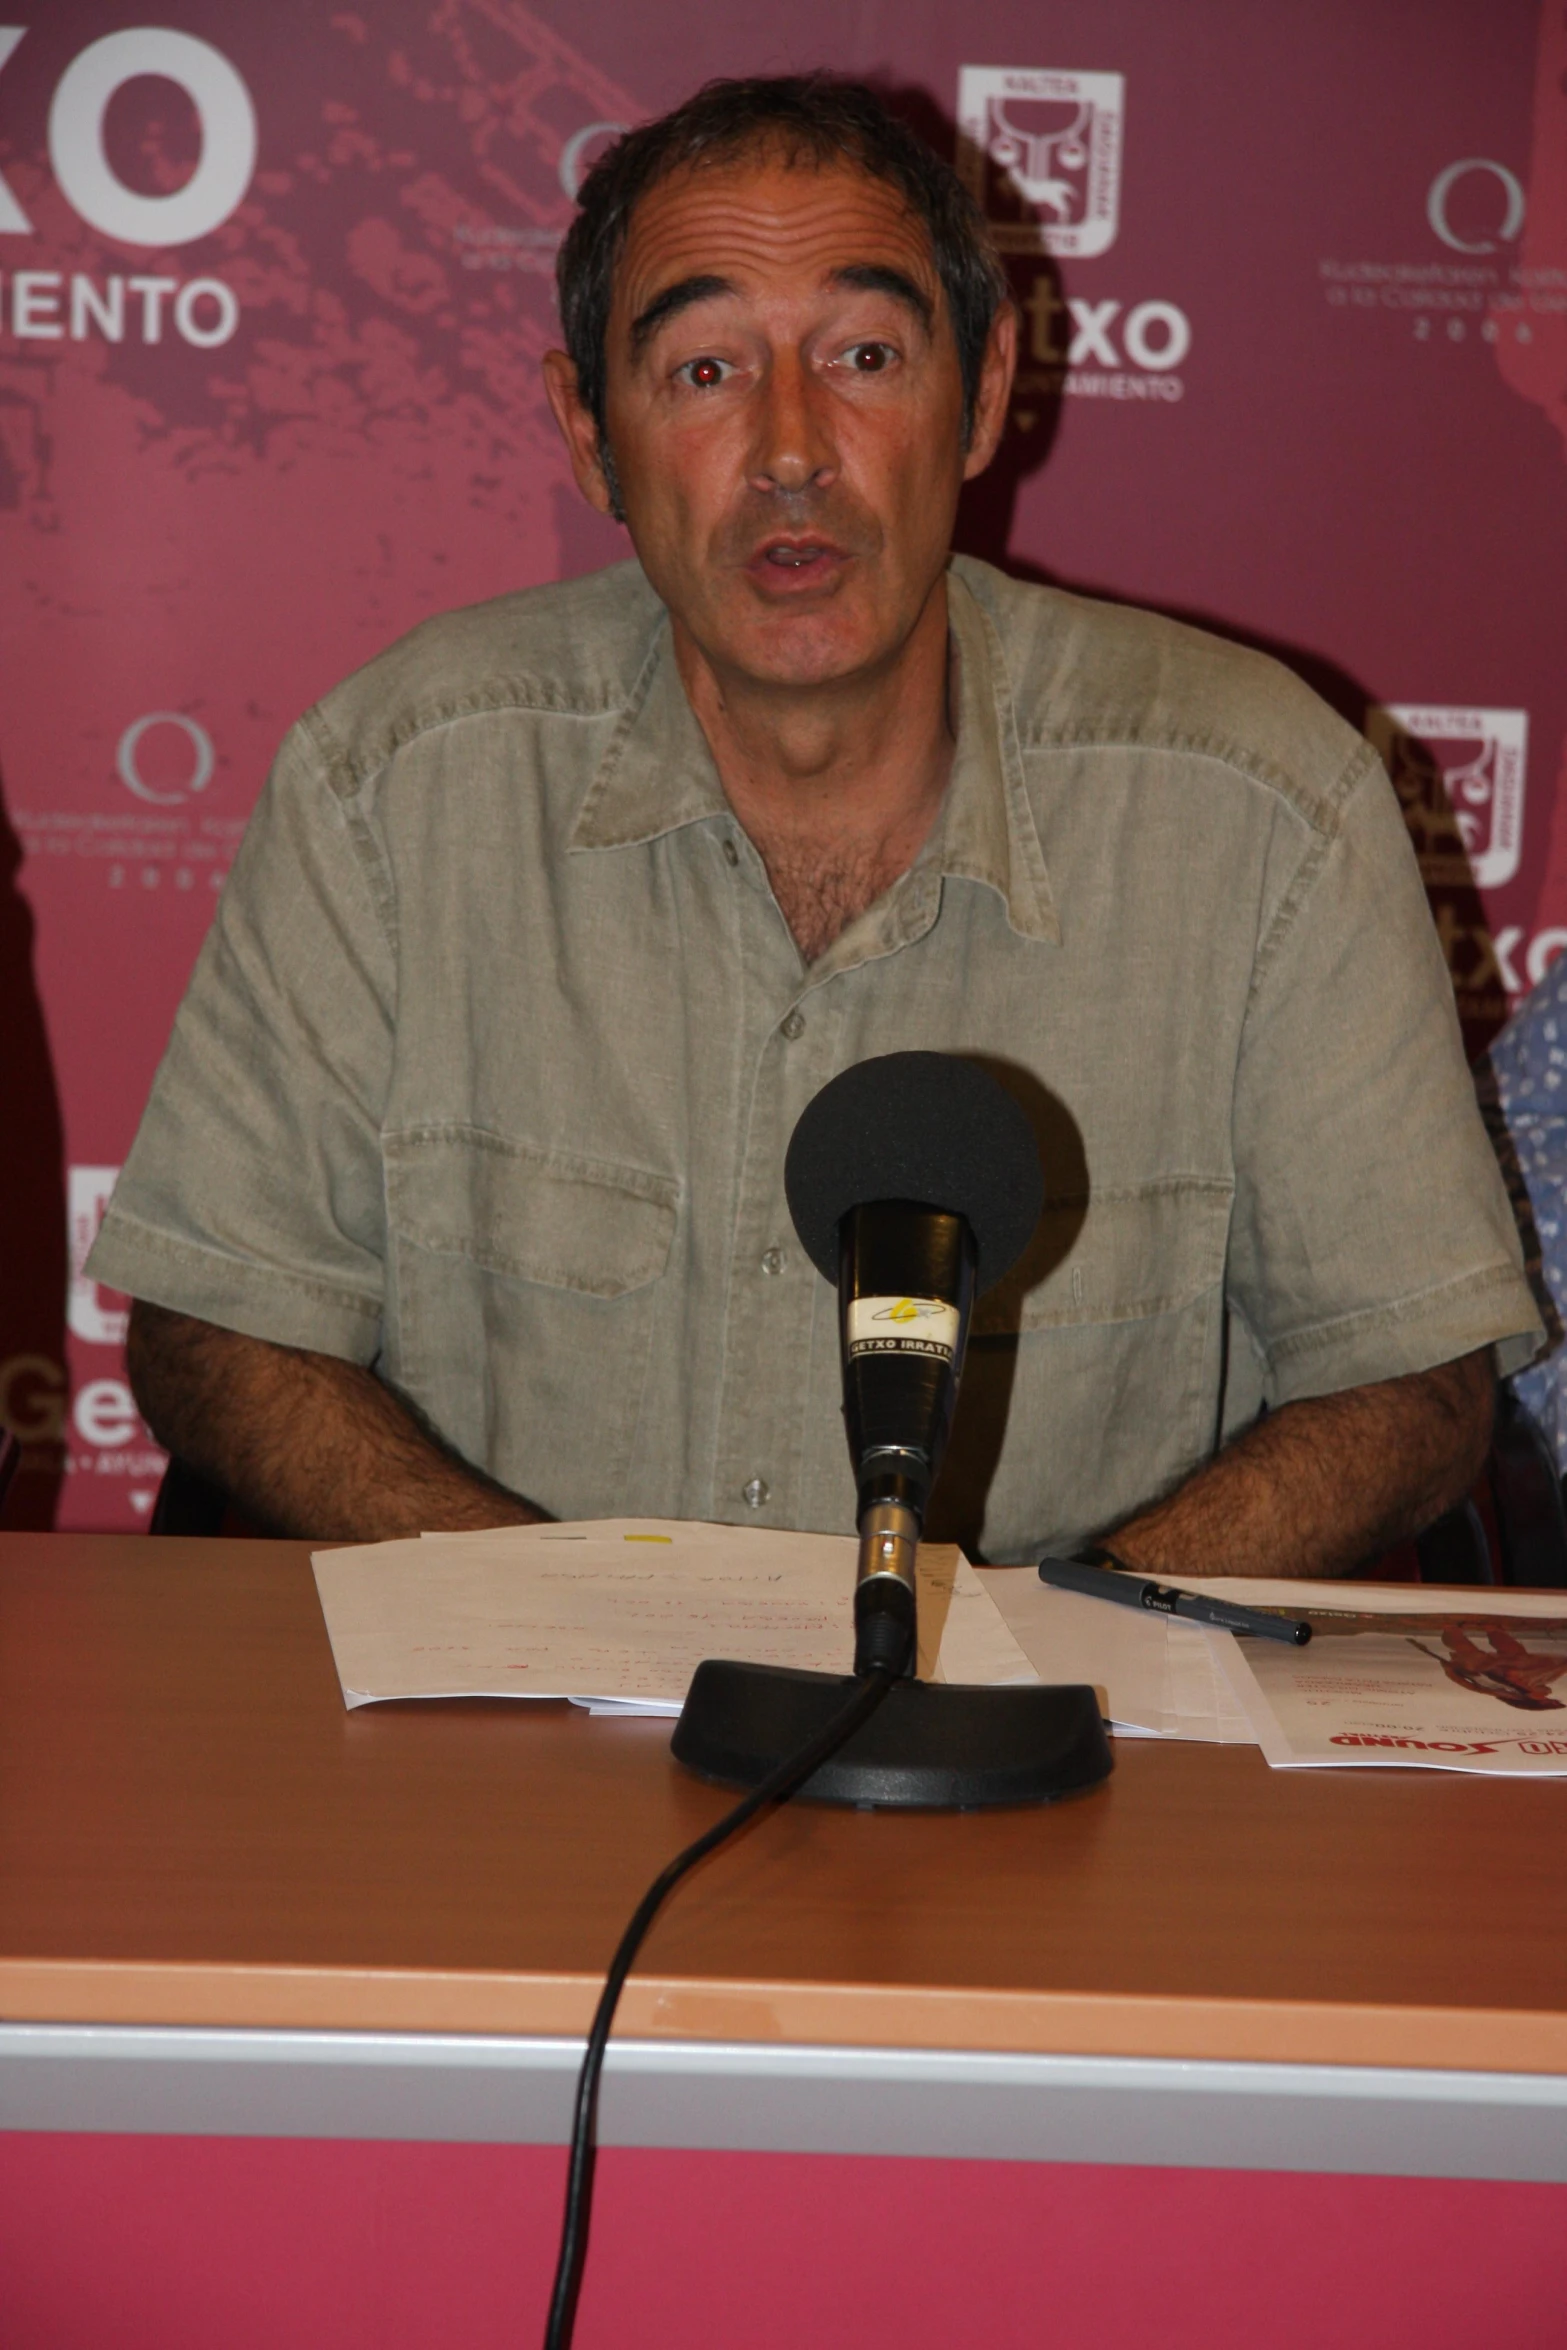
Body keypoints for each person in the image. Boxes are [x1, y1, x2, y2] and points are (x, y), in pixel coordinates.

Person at [90, 76, 1539, 1570]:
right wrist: (548, 1621)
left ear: (980, 397)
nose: (792, 448)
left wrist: (1068, 1647)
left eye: (861, 355)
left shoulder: (1264, 807)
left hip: (1074, 1755)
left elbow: (1409, 1378)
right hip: (511, 1759)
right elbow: (220, 1323)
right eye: (705, 370)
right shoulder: (391, 781)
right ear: (589, 434)